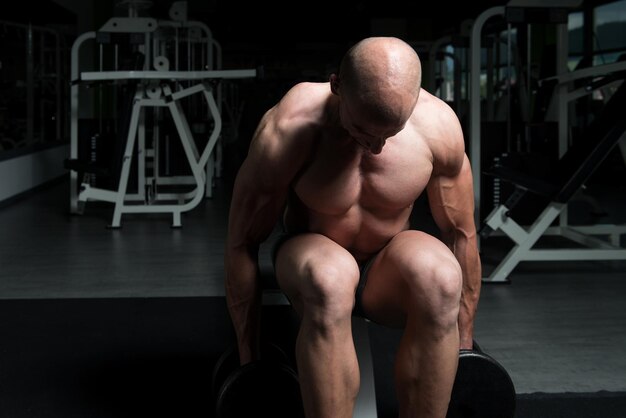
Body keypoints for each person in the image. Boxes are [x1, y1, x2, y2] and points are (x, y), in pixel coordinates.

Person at [224, 36, 481, 418]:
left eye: (390, 133)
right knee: (330, 280)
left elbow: (462, 235)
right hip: (312, 249)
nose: (376, 147)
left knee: (442, 277)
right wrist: (250, 360)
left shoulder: (437, 126)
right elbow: (242, 243)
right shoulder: (290, 126)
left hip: (388, 265)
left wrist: (464, 346)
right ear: (336, 86)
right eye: (363, 130)